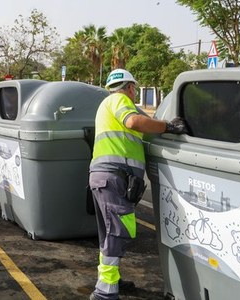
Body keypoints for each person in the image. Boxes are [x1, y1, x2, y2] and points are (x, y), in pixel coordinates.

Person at [88, 69, 187, 300]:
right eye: (134, 89)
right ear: (130, 87)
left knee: (109, 233)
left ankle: (110, 280)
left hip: (105, 177)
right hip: (113, 177)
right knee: (120, 230)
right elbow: (133, 121)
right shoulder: (119, 100)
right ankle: (105, 291)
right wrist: (168, 127)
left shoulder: (107, 103)